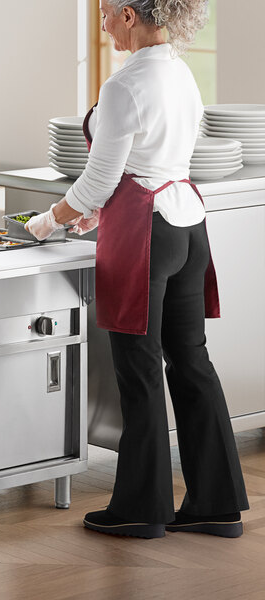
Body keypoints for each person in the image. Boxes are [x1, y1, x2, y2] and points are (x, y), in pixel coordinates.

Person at [26, 0, 249, 539]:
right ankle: (216, 504)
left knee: (141, 369)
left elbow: (100, 179)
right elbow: (160, 160)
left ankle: (141, 509)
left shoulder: (124, 86)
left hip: (146, 235)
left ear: (129, 14)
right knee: (192, 362)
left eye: (105, 13)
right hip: (187, 225)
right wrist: (98, 214)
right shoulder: (181, 72)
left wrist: (50, 220)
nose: (101, 24)